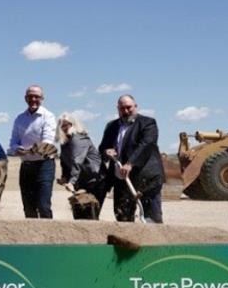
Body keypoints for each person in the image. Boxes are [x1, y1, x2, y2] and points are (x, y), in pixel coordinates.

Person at [98, 94, 164, 223]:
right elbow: (102, 147)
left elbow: (146, 145)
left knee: (151, 219)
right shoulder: (111, 126)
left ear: (135, 106)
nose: (126, 111)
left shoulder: (148, 123)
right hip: (121, 179)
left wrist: (130, 163)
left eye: (129, 107)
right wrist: (107, 151)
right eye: (122, 108)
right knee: (123, 217)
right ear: (118, 108)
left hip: (146, 179)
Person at [8, 84, 57, 218]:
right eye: (30, 96)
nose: (33, 99)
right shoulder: (19, 118)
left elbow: (47, 142)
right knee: (28, 207)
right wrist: (16, 149)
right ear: (25, 98)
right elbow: (13, 142)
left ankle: (48, 236)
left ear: (42, 98)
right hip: (26, 166)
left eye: (36, 96)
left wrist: (29, 150)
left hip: (44, 165)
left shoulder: (48, 116)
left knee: (43, 205)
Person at [56, 112, 106, 218]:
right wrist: (65, 178)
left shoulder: (78, 138)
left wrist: (71, 182)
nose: (64, 127)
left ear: (73, 124)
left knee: (90, 213)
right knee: (80, 214)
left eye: (67, 124)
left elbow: (77, 161)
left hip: (96, 181)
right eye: (62, 125)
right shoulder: (65, 142)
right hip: (82, 182)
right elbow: (64, 162)